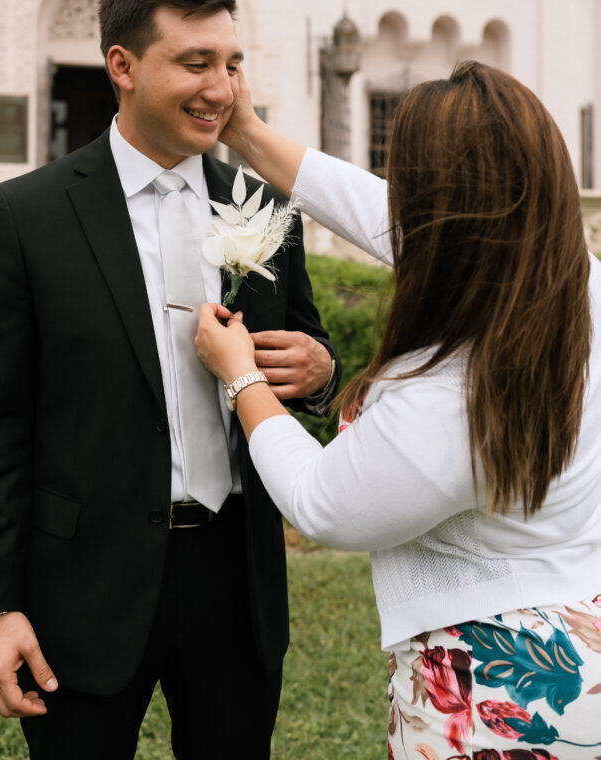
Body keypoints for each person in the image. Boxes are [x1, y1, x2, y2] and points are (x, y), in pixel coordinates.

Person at [0, 0, 340, 760]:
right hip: (81, 585)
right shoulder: (26, 216)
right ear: (122, 67)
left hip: (235, 577)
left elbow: (303, 355)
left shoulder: (263, 207)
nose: (222, 88)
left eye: (231, 64)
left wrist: (319, 369)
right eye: (195, 63)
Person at [196, 60, 601, 757]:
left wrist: (241, 379)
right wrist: (248, 133)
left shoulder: (449, 403)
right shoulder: (571, 283)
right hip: (579, 635)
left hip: (490, 691)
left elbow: (322, 502)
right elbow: (379, 213)